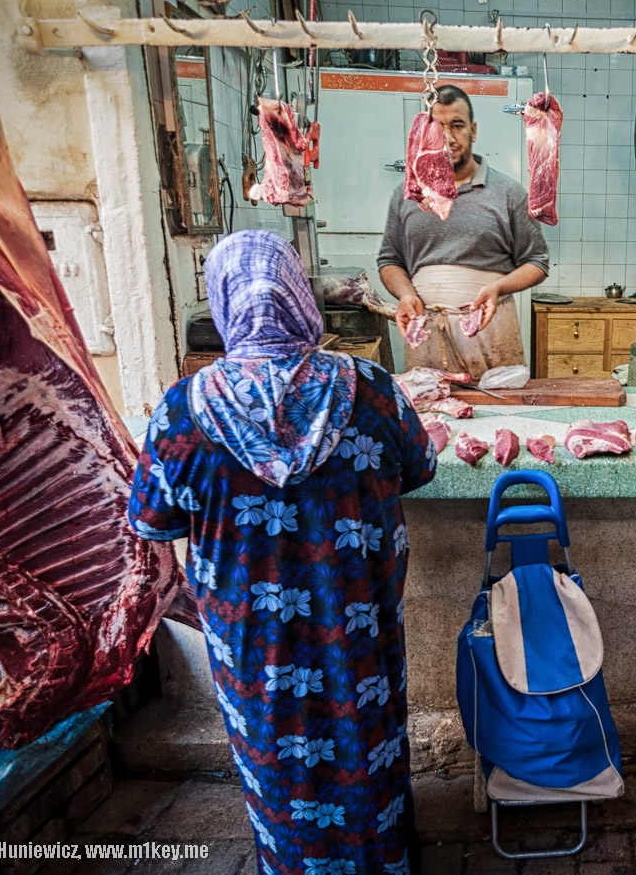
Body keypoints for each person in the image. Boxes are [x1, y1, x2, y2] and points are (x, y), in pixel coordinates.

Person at [128, 230, 436, 875]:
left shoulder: (183, 411)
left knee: (273, 749)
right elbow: (418, 468)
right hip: (358, 625)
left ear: (223, 304)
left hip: (252, 639)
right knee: (366, 736)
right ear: (300, 297)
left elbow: (153, 522)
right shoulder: (372, 390)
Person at [378, 84, 550, 377]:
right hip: (426, 332)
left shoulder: (509, 193)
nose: (448, 136)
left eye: (457, 125)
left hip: (491, 332)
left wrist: (498, 288)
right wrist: (406, 294)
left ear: (473, 130)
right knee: (431, 416)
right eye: (437, 127)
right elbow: (390, 260)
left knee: (504, 415)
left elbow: (537, 262)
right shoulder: (407, 194)